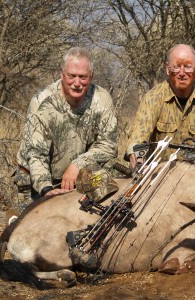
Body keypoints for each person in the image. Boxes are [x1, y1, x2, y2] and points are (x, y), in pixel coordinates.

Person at [14, 47, 118, 212]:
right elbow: (35, 153)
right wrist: (47, 189)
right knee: (28, 229)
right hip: (38, 178)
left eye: (83, 77)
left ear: (91, 77)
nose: (77, 83)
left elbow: (108, 145)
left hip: (77, 176)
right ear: (62, 74)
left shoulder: (102, 98)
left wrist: (77, 165)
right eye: (71, 76)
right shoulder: (42, 101)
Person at [126, 44, 195, 178]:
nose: (182, 73)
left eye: (188, 67)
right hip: (160, 173)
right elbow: (138, 138)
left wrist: (194, 167)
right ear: (167, 69)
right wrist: (139, 162)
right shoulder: (152, 98)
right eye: (176, 66)